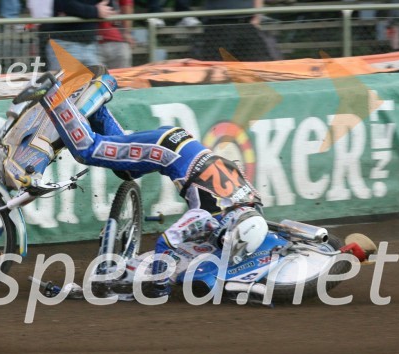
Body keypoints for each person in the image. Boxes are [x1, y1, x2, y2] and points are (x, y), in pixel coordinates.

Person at [15, 70, 268, 297]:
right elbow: (166, 241)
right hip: (167, 151)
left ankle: (96, 105)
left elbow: (266, 229)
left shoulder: (250, 200)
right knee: (87, 150)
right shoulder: (208, 216)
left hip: (179, 144)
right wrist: (159, 284)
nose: (223, 243)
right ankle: (52, 92)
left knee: (127, 170)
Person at [193, 0, 282, 62]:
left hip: (247, 23)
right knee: (216, 66)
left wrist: (257, 16)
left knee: (256, 64)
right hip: (219, 25)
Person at [41, 0, 116, 70]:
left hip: (90, 46)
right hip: (64, 45)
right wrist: (95, 11)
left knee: (98, 79)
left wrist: (85, 11)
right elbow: (66, 5)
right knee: (65, 80)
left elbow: (109, 7)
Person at [98, 0, 133, 69]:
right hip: (90, 42)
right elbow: (126, 6)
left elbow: (126, 5)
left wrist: (126, 33)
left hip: (117, 39)